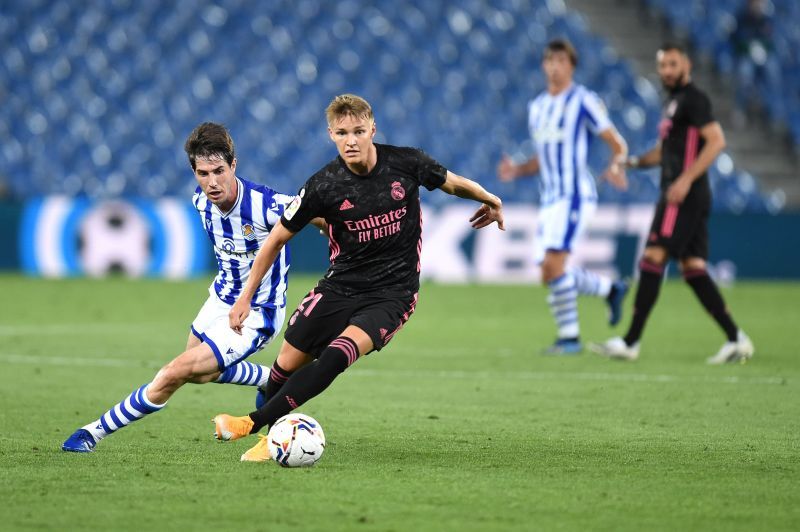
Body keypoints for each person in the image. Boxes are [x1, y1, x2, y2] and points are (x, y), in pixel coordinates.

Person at [211, 94, 505, 461]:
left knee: (337, 356)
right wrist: (244, 299)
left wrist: (489, 197)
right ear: (331, 134)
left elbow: (452, 183)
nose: (351, 140)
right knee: (285, 365)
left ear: (373, 130)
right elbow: (275, 240)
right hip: (340, 286)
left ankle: (250, 424)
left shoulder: (407, 163)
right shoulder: (323, 186)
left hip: (392, 294)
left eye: (359, 131)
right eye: (342, 133)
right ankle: (272, 438)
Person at [62, 122, 313, 452]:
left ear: (233, 165)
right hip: (220, 299)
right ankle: (269, 379)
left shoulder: (267, 205)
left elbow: (316, 212)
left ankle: (92, 432)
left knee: (173, 372)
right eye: (202, 173)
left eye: (219, 171)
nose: (211, 182)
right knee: (198, 372)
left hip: (256, 312)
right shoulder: (201, 202)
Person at [590, 43, 755, 364]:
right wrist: (631, 162)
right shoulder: (673, 104)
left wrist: (685, 179)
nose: (666, 70)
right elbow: (665, 151)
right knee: (693, 268)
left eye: (672, 64)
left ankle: (630, 341)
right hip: (684, 194)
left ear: (686, 65)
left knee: (653, 258)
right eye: (663, 64)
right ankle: (737, 339)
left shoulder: (694, 99)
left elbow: (716, 140)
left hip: (683, 196)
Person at [497, 39, 630, 355]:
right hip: (550, 198)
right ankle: (610, 288)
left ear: (571, 65)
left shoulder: (584, 101)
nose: (554, 66)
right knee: (548, 271)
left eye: (561, 60)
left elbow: (617, 143)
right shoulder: (538, 107)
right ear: (544, 65)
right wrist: (516, 170)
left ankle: (569, 338)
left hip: (574, 196)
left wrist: (615, 165)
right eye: (549, 60)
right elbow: (543, 157)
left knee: (555, 266)